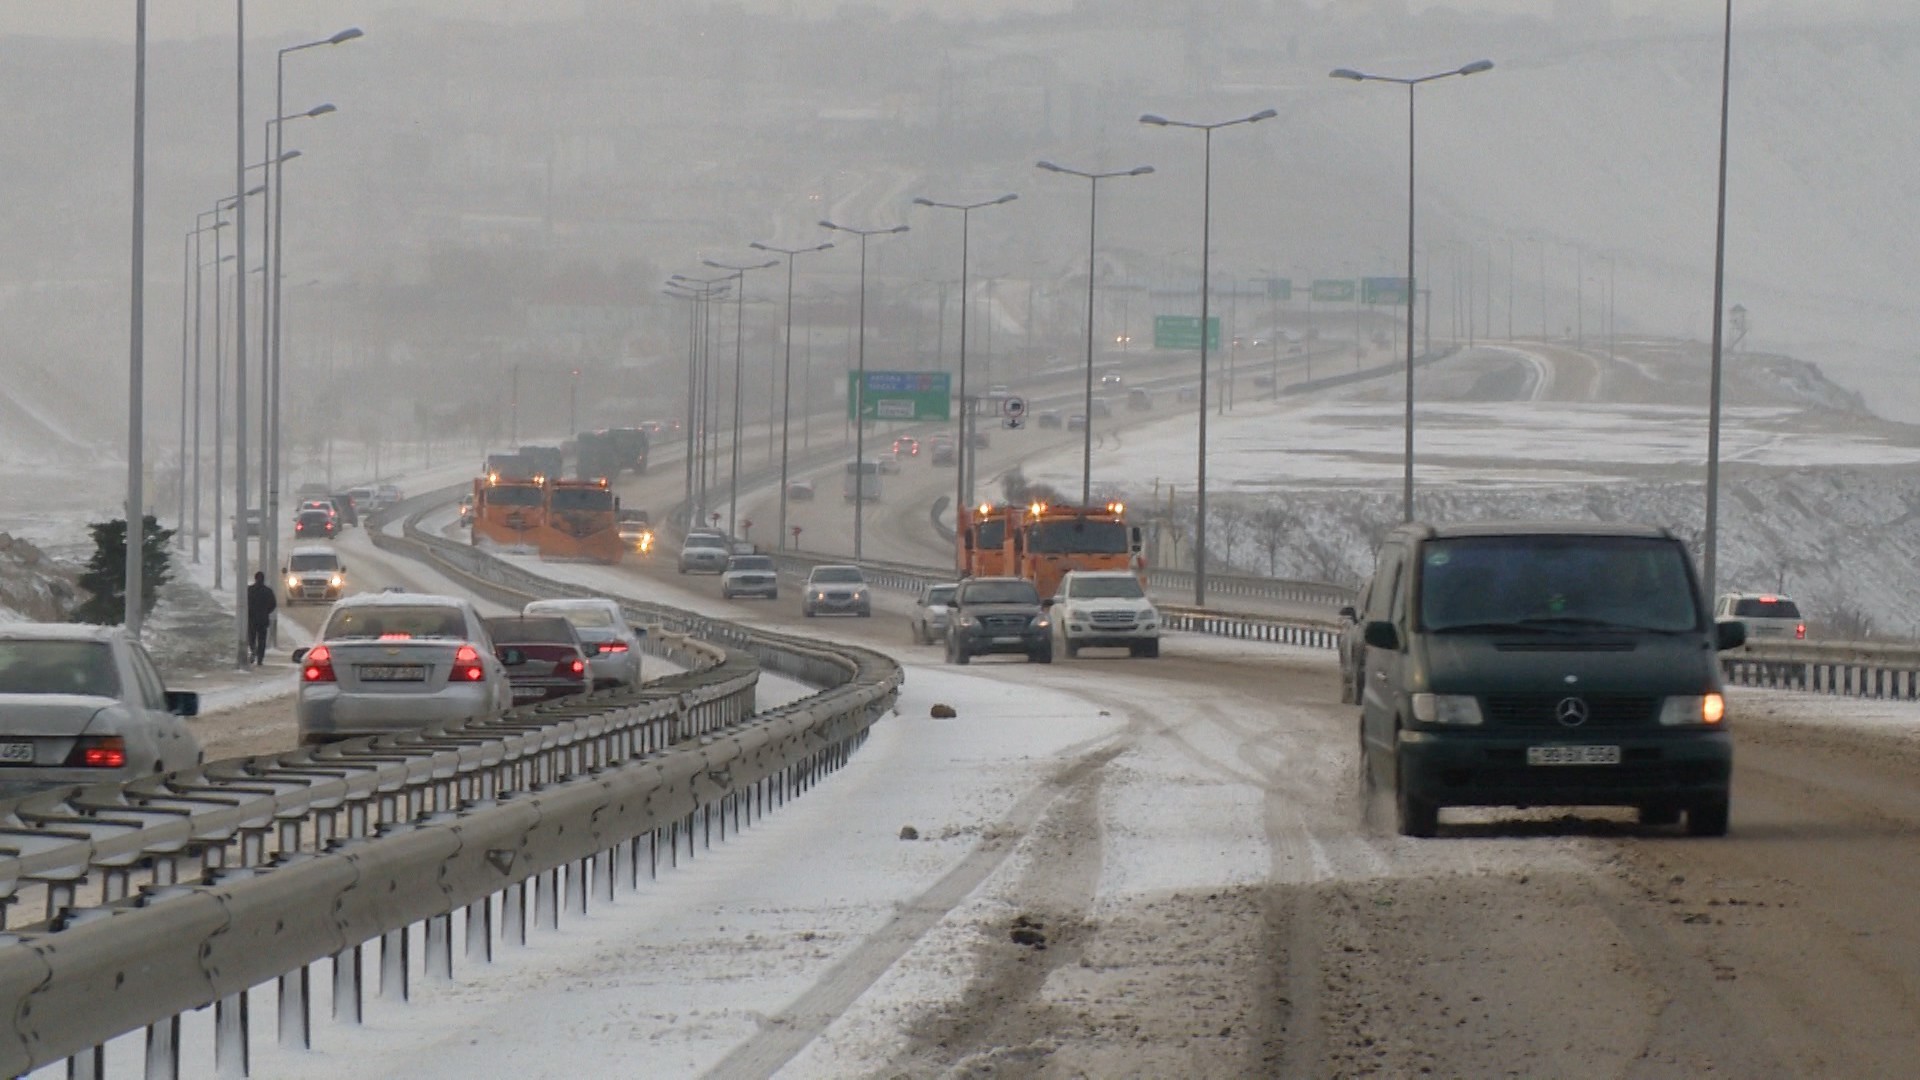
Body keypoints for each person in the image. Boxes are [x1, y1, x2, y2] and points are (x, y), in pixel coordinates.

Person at [246, 570, 277, 666]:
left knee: (251, 637)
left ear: (255, 579)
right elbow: (273, 604)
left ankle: (253, 650)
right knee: (262, 640)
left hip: (251, 618)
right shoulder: (268, 591)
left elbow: (245, 603)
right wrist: (266, 612)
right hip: (263, 619)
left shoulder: (250, 590)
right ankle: (260, 658)